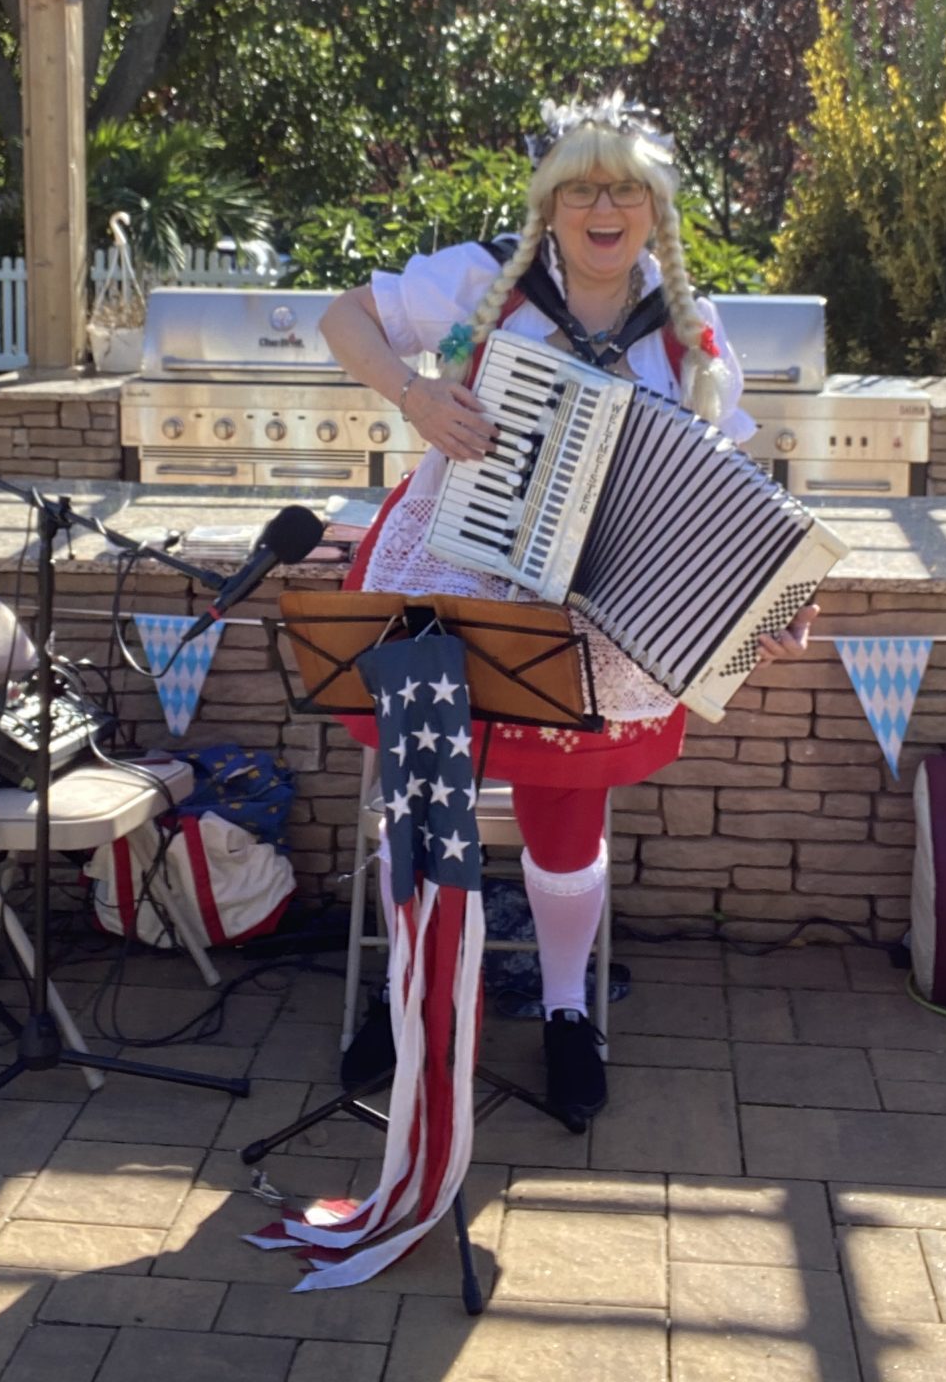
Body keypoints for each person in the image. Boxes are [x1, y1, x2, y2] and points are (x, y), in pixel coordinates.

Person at [320, 93, 816, 1123]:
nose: (603, 207)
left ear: (654, 209)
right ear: (549, 203)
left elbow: (727, 494)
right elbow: (342, 317)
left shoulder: (688, 331)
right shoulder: (479, 281)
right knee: (423, 792)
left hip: (595, 609)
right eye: (581, 188)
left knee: (564, 813)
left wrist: (773, 603)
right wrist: (416, 396)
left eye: (625, 189)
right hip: (452, 569)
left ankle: (562, 1007)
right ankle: (414, 999)